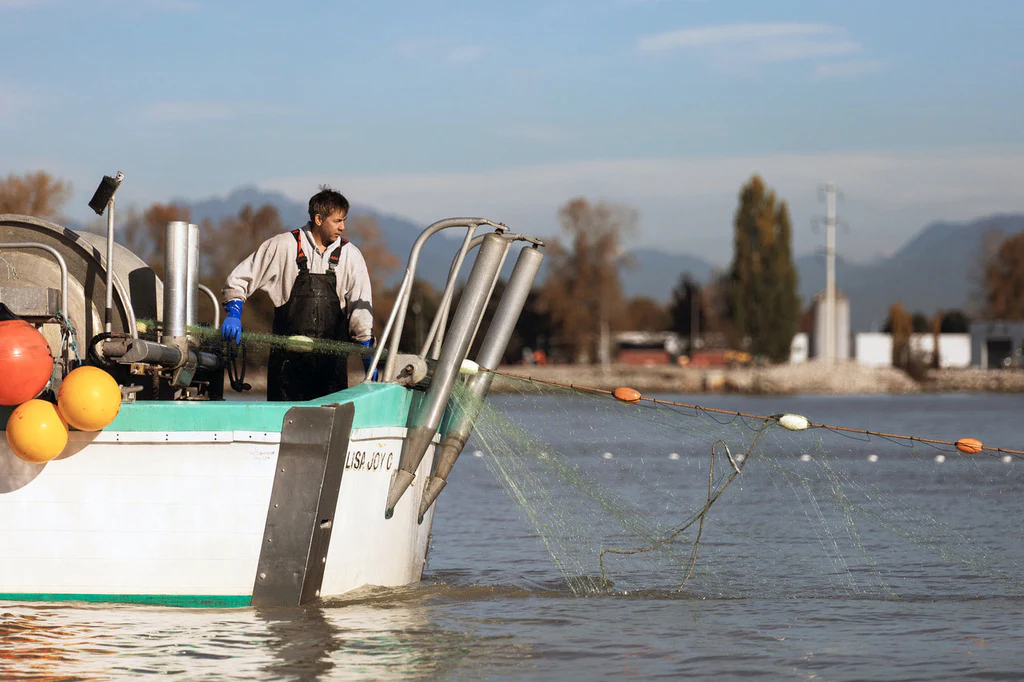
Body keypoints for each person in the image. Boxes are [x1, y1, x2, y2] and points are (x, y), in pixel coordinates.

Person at [221, 186, 374, 401]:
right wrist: (234, 311)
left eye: (344, 220)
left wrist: (367, 353)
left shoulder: (351, 256)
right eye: (337, 221)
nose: (343, 227)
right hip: (285, 373)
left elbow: (361, 309)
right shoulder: (282, 246)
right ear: (319, 219)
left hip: (331, 373)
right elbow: (239, 279)